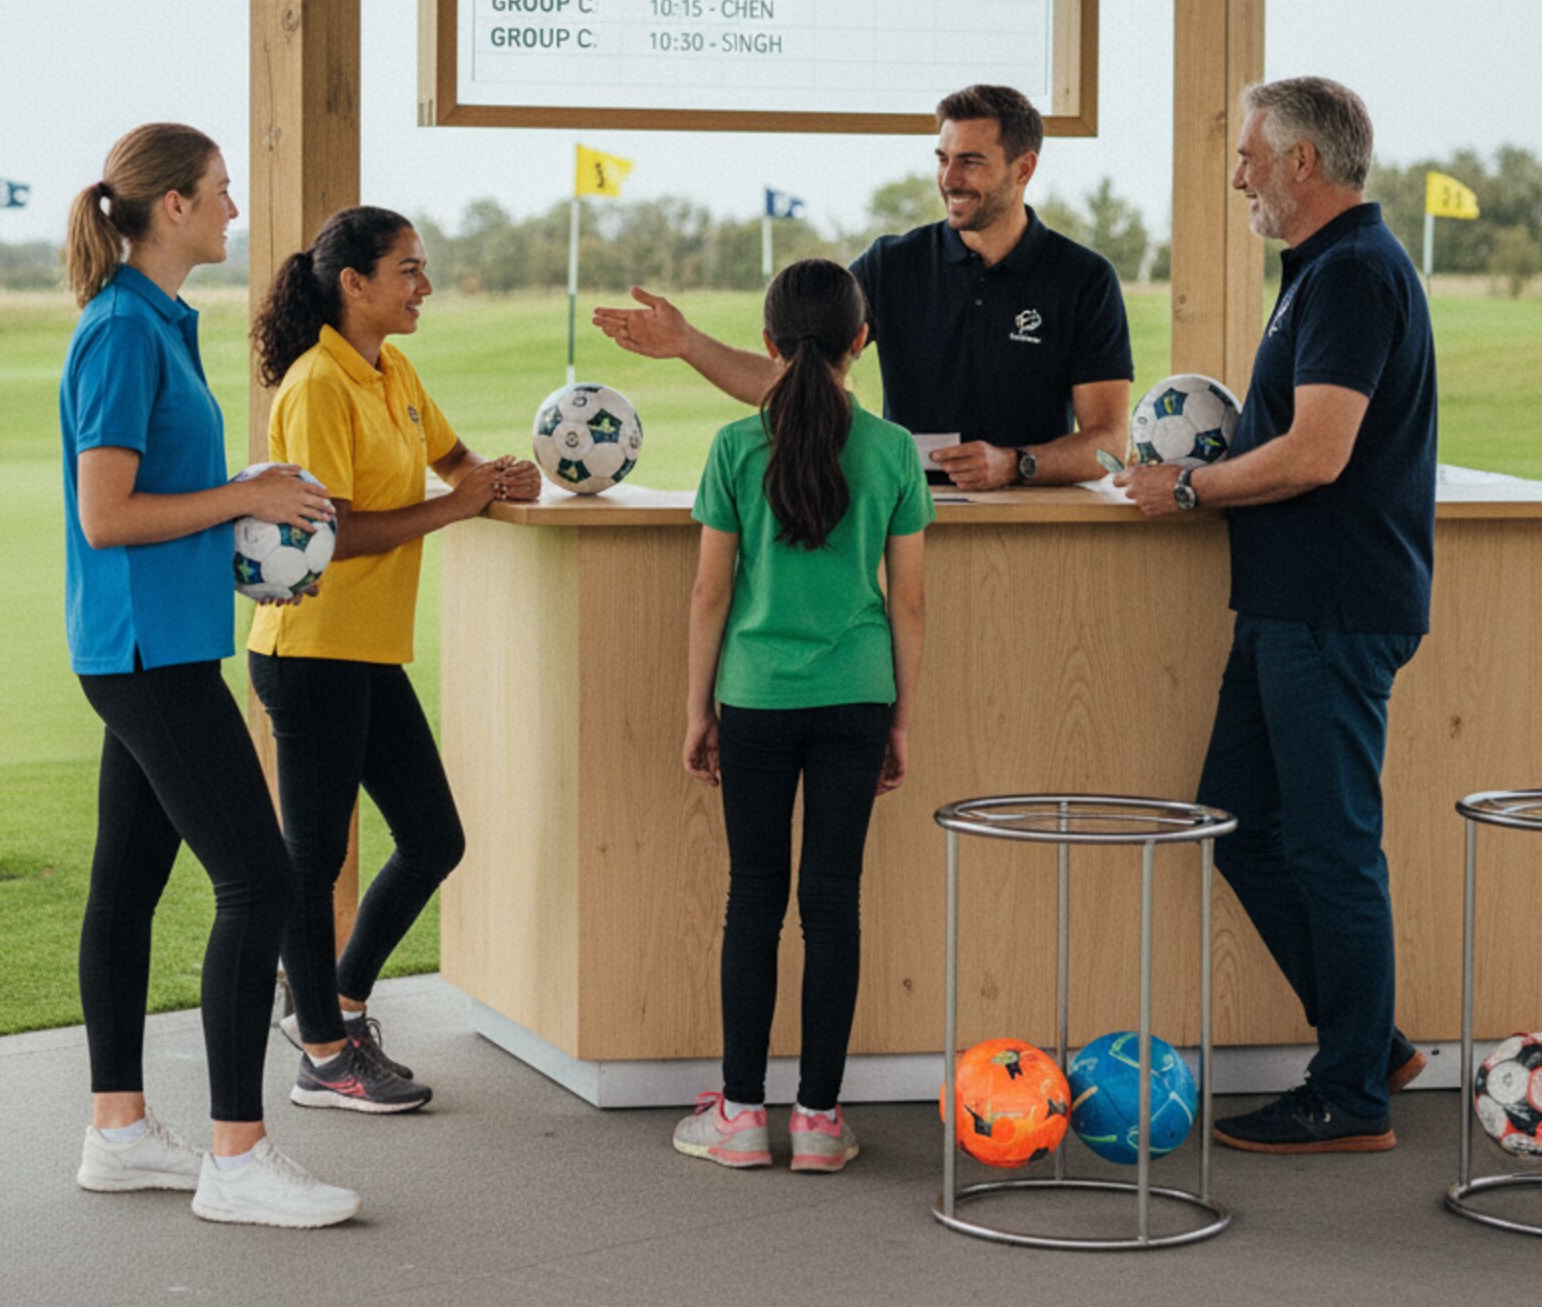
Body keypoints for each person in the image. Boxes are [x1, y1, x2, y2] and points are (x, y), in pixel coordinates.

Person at [1120, 77, 1435, 1153]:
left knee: (1333, 847)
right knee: (1239, 824)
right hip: (1285, 606)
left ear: (1302, 163)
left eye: (1251, 153)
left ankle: (1349, 1095)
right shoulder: (1324, 271)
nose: (1238, 169)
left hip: (1330, 609)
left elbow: (1316, 452)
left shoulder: (1350, 275)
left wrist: (1189, 488)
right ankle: (1370, 1040)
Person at [61, 122, 360, 1228]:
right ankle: (237, 1157)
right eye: (221, 193)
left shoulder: (161, 324)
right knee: (263, 881)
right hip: (145, 654)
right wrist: (245, 502)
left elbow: (163, 501)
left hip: (166, 639)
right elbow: (106, 515)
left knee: (129, 884)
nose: (235, 210)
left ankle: (120, 1132)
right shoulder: (122, 335)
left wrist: (251, 542)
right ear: (172, 207)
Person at [250, 206, 542, 1114]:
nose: (424, 286)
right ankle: (326, 1059)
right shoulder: (315, 386)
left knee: (433, 838)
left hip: (368, 652)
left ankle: (336, 1001)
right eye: (408, 270)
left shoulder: (394, 370)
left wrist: (500, 477)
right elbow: (327, 534)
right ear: (355, 284)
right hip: (311, 652)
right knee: (312, 856)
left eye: (424, 268)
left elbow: (455, 462)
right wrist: (457, 507)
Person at [673, 259, 932, 1172]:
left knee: (754, 899)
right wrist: (900, 717)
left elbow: (711, 593)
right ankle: (819, 1122)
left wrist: (697, 709)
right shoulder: (895, 449)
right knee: (833, 904)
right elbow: (909, 605)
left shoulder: (735, 447)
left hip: (754, 696)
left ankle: (742, 1117)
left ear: (770, 344)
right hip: (858, 696)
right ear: (861, 342)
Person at [594, 83, 1131, 488]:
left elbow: (1109, 444)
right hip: (902, 514)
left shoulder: (1084, 279)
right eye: (943, 159)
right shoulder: (890, 264)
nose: (949, 179)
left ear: (1024, 168)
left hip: (1032, 521)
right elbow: (797, 381)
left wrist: (1015, 465)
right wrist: (689, 343)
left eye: (970, 161)